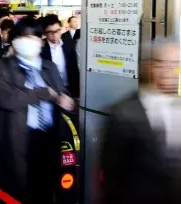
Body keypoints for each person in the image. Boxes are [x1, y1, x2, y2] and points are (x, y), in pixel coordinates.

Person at [0, 17, 74, 204]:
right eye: (25, 37)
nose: (30, 42)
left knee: (45, 188)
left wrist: (66, 99)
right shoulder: (2, 66)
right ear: (16, 40)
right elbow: (8, 99)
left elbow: (62, 95)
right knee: (19, 189)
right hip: (18, 138)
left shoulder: (48, 66)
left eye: (35, 37)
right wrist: (44, 92)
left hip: (48, 137)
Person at [100, 39, 181, 204]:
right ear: (148, 66)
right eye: (162, 64)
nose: (171, 71)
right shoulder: (123, 113)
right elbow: (112, 174)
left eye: (176, 64)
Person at [41, 14, 80, 98]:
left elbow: (74, 68)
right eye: (50, 32)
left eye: (57, 31)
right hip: (50, 91)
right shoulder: (41, 48)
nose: (55, 35)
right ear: (44, 32)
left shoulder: (69, 44)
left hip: (69, 87)